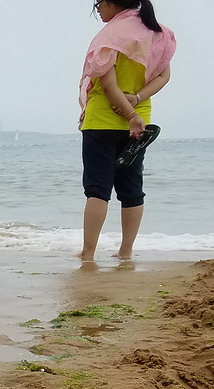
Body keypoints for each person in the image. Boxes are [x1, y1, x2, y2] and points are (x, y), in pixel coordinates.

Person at [78, 0, 175, 262]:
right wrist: (136, 101)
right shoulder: (159, 33)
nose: (97, 8)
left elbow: (108, 84)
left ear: (112, 1)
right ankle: (126, 252)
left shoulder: (110, 35)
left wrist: (130, 115)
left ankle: (88, 254)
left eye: (98, 2)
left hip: (103, 121)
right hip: (140, 122)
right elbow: (163, 77)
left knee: (97, 190)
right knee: (132, 188)